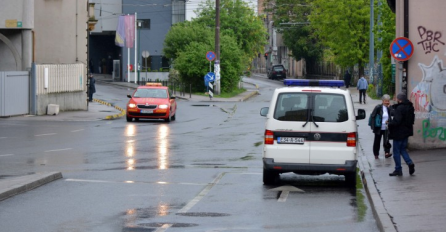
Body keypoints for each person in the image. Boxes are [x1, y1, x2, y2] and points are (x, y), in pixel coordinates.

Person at [387, 93, 415, 176]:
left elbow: (397, 121)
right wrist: (392, 108)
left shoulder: (400, 108)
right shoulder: (409, 107)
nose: (395, 99)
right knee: (402, 149)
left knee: (396, 152)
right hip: (406, 132)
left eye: (396, 98)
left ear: (400, 100)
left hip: (399, 133)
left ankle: (398, 169)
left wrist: (389, 123)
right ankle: (410, 163)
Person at [370, 94, 392, 159]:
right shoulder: (378, 107)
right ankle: (376, 154)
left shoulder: (389, 108)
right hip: (378, 127)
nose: (387, 102)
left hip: (386, 127)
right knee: (377, 141)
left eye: (388, 101)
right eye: (385, 101)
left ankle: (387, 153)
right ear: (382, 101)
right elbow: (373, 116)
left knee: (386, 141)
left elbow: (391, 116)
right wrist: (373, 126)